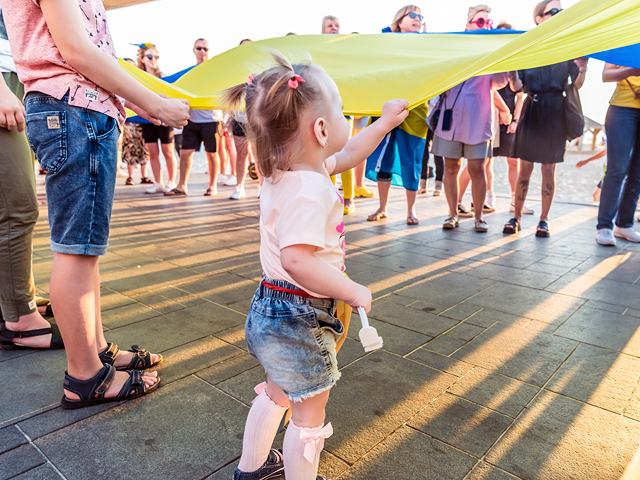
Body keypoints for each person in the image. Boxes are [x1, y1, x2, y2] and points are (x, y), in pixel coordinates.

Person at [222, 52, 407, 480]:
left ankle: (251, 470)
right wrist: (351, 289)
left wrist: (382, 123)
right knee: (309, 416)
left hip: (271, 305)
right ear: (321, 130)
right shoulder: (309, 189)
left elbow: (352, 151)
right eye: (341, 110)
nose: (346, 119)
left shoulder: (290, 171)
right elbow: (297, 259)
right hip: (300, 313)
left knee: (276, 393)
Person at [2, 0, 190, 407]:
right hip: (73, 109)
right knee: (76, 250)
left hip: (74, 109)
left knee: (83, 248)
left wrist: (140, 103)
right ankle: (85, 375)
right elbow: (77, 50)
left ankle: (94, 349)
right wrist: (154, 103)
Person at [0, 8, 62, 350]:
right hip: (3, 79)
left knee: (12, 206)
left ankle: (13, 298)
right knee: (17, 208)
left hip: (15, 74)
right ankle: (20, 319)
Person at [504, 0, 588, 237]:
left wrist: (582, 68)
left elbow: (576, 86)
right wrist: (512, 66)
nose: (558, 13)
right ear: (538, 18)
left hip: (555, 110)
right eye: (553, 11)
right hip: (533, 108)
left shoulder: (568, 47)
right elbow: (517, 86)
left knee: (549, 169)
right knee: (525, 169)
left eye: (560, 11)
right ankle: (516, 216)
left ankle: (544, 220)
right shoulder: (526, 46)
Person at [432, 5, 508, 232]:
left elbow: (501, 81)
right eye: (481, 22)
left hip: (478, 122)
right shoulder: (453, 49)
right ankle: (452, 213)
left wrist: (497, 54)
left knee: (478, 168)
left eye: (488, 22)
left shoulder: (491, 53)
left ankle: (478, 218)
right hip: (450, 120)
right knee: (451, 167)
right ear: (468, 25)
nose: (486, 26)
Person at [366, 5, 427, 225]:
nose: (418, 19)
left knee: (412, 160)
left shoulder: (427, 44)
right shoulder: (386, 41)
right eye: (413, 15)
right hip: (387, 107)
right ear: (400, 20)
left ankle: (411, 210)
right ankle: (382, 208)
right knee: (384, 159)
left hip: (415, 111)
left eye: (421, 16)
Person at [166, 38, 225, 197]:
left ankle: (213, 186)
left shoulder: (216, 72)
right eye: (199, 48)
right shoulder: (189, 72)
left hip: (212, 119)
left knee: (212, 154)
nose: (202, 51)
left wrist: (225, 120)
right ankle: (181, 186)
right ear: (194, 50)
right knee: (184, 153)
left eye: (205, 49)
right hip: (192, 119)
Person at [595, 64, 640, 246]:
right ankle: (604, 226)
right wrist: (631, 71)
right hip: (622, 109)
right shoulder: (624, 41)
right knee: (617, 169)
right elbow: (606, 75)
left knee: (637, 173)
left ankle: (624, 224)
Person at [136, 44, 178, 194]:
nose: (153, 59)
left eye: (156, 57)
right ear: (142, 59)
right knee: (152, 152)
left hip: (164, 119)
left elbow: (172, 98)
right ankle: (158, 182)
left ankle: (171, 181)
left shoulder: (164, 78)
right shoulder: (138, 79)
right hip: (146, 120)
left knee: (168, 151)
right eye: (149, 56)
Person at [120, 58, 152, 186]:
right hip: (129, 121)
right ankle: (130, 176)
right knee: (129, 148)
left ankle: (144, 176)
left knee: (144, 148)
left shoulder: (139, 82)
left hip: (143, 121)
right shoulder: (120, 83)